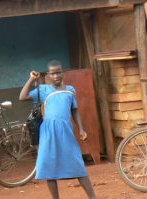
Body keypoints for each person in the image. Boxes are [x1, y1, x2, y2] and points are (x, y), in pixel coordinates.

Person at [19, 60, 97, 199]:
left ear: (63, 73)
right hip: (48, 132)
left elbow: (74, 110)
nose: (56, 76)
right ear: (48, 75)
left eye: (58, 72)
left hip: (66, 131)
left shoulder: (70, 89)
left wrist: (81, 129)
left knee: (77, 163)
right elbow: (22, 96)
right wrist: (31, 78)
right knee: (49, 167)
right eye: (53, 73)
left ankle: (92, 196)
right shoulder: (43, 89)